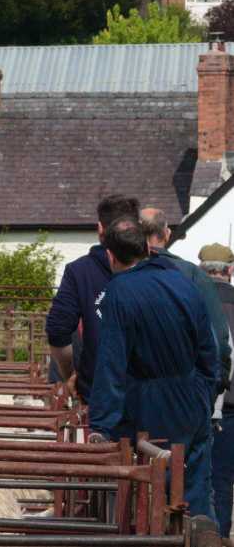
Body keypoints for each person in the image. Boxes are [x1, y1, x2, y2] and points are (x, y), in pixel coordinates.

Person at [89, 217, 218, 520]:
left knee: (152, 495)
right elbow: (208, 349)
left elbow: (112, 363)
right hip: (192, 398)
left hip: (150, 403)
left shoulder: (119, 291)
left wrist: (101, 424)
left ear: (110, 255)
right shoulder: (183, 281)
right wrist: (204, 393)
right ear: (148, 247)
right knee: (195, 490)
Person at [47, 194, 139, 401]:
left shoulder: (79, 271)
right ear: (137, 227)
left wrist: (69, 374)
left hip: (99, 388)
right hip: (152, 392)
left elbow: (58, 329)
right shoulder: (165, 270)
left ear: (100, 229)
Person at [142, 207, 232, 408]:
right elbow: (217, 341)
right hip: (187, 397)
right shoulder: (190, 275)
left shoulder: (121, 273)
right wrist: (212, 387)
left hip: (135, 396)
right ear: (167, 234)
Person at [199, 243, 234, 539]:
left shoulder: (192, 300)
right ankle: (221, 536)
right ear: (230, 271)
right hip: (232, 405)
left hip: (200, 400)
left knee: (199, 476)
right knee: (224, 480)